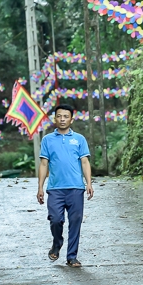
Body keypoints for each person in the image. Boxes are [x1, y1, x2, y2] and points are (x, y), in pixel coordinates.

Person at [36, 104, 94, 268]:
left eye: (65, 116)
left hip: (76, 187)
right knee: (55, 219)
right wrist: (40, 187)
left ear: (71, 119)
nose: (62, 119)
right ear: (55, 119)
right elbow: (43, 164)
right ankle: (57, 242)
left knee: (75, 221)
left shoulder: (79, 139)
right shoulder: (47, 140)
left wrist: (89, 183)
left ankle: (72, 256)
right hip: (55, 188)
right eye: (59, 116)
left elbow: (84, 162)